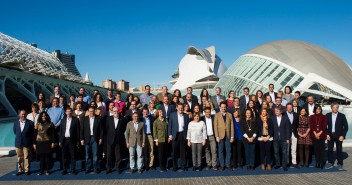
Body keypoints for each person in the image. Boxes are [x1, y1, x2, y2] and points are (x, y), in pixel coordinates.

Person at [325, 102, 349, 170]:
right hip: (330, 135)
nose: (335, 109)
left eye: (336, 107)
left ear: (338, 108)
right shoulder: (328, 115)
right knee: (330, 149)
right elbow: (324, 126)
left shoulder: (342, 116)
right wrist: (326, 134)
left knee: (339, 150)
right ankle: (330, 162)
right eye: (334, 107)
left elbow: (346, 127)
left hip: (339, 135)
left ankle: (340, 163)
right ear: (331, 108)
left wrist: (343, 135)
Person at [80, 106, 103, 174]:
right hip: (87, 138)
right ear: (88, 112)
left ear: (95, 111)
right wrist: (81, 139)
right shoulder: (84, 119)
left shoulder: (99, 118)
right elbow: (82, 130)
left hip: (95, 138)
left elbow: (101, 129)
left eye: (93, 111)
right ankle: (87, 168)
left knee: (95, 155)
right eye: (90, 111)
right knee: (87, 155)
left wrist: (101, 138)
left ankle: (95, 168)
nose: (91, 112)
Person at [168, 103, 190, 171]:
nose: (180, 109)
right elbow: (170, 125)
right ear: (177, 108)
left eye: (182, 107)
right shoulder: (172, 115)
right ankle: (175, 166)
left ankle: (183, 165)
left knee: (183, 152)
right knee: (174, 152)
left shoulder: (186, 115)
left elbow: (188, 127)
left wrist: (188, 137)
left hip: (183, 134)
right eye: (179, 107)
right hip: (175, 135)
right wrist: (170, 135)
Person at [59, 107, 80, 175]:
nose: (69, 113)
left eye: (70, 111)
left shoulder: (76, 120)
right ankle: (64, 169)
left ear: (72, 112)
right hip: (64, 140)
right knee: (64, 156)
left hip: (72, 140)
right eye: (67, 111)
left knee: (73, 156)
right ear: (65, 112)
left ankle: (73, 169)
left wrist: (77, 141)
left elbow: (78, 131)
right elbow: (61, 131)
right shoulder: (62, 120)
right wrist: (60, 141)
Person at [214, 102, 234, 171]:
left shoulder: (229, 115)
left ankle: (228, 165)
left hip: (228, 136)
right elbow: (215, 126)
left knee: (228, 150)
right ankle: (222, 165)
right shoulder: (217, 115)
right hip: (220, 136)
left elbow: (232, 126)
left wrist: (232, 136)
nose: (223, 108)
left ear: (226, 107)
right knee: (221, 151)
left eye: (224, 107)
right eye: (222, 107)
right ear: (220, 107)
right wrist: (217, 136)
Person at [13, 110, 34, 176]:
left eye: (24, 114)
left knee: (26, 157)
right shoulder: (16, 123)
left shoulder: (30, 123)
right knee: (19, 157)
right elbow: (15, 131)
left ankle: (27, 170)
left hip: (26, 142)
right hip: (18, 142)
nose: (23, 115)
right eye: (22, 114)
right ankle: (20, 170)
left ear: (26, 115)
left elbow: (32, 133)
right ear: (19, 115)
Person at [105, 107, 125, 174]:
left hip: (118, 140)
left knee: (118, 155)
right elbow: (106, 129)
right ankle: (109, 168)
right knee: (109, 155)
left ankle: (118, 168)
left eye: (117, 111)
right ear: (112, 112)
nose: (116, 113)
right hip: (110, 140)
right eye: (114, 111)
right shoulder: (108, 119)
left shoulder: (122, 119)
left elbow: (123, 129)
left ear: (119, 111)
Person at [283, 103, 299, 168]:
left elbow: (297, 124)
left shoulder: (296, 114)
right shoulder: (283, 114)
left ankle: (294, 162)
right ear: (286, 108)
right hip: (286, 133)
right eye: (288, 107)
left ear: (292, 108)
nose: (290, 108)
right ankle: (287, 162)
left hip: (294, 133)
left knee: (294, 148)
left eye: (291, 107)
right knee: (287, 149)